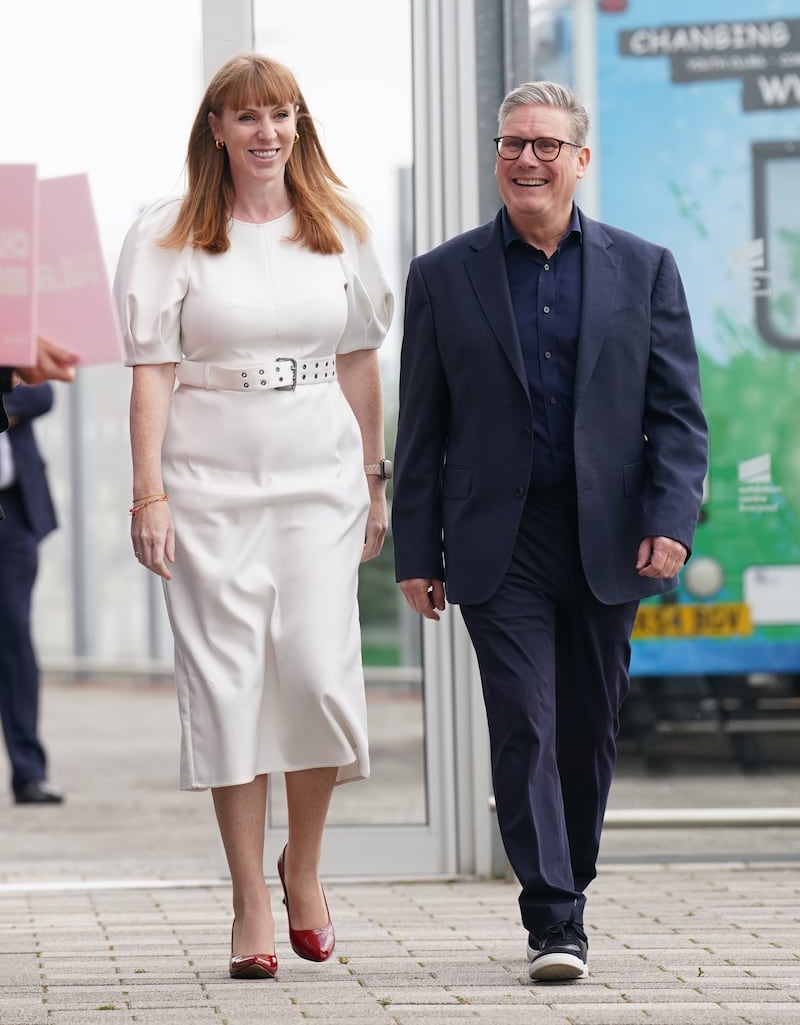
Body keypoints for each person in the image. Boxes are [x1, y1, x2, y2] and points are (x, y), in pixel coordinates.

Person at [391, 81, 707, 982]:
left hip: (608, 535)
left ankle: (574, 880)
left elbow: (678, 416)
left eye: (543, 145)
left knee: (588, 729)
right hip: (500, 538)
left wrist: (669, 519)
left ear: (580, 158)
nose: (526, 159)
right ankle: (554, 918)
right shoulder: (441, 276)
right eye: (511, 144)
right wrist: (420, 550)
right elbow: (424, 427)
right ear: (497, 157)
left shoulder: (644, 268)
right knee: (524, 721)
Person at [113, 52, 393, 980]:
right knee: (230, 685)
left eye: (281, 115)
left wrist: (373, 476)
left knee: (314, 674)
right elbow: (150, 370)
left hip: (318, 478)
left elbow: (359, 359)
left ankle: (302, 869)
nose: (266, 132)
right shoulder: (169, 234)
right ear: (217, 132)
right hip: (208, 481)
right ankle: (248, 898)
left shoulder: (338, 226)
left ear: (300, 125)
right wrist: (148, 491)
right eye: (246, 117)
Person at [0, 383, 63, 804]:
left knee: (15, 634)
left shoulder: (11, 327)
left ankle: (29, 772)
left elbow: (42, 393)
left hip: (13, 514)